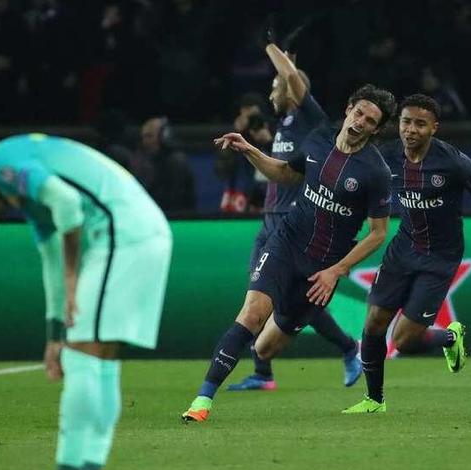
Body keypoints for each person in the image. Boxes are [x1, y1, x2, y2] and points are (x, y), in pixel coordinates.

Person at [182, 82, 396, 422]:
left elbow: (378, 233)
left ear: (377, 128)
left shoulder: (376, 172)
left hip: (322, 268)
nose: (360, 123)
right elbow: (283, 173)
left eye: (370, 121)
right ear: (348, 109)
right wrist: (250, 149)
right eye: (358, 113)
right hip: (286, 242)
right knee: (251, 315)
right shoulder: (317, 140)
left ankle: (342, 351)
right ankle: (202, 401)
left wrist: (337, 270)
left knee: (266, 348)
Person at [0, 134, 171, 470]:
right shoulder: (33, 200)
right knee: (100, 360)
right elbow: (51, 262)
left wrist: (73, 279)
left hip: (124, 233)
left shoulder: (0, 161)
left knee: (84, 355)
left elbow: (68, 204)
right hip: (141, 230)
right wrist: (55, 334)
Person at [342, 94, 471, 413]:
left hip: (440, 259)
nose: (411, 130)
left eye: (420, 124)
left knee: (404, 341)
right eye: (406, 122)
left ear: (434, 127)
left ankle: (449, 338)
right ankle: (374, 400)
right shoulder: (387, 158)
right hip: (402, 250)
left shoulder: (452, 162)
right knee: (374, 324)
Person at [226, 41, 362, 392]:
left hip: (294, 224)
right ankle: (262, 372)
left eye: (276, 86)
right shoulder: (284, 125)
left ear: (290, 90)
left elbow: (290, 78)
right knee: (261, 293)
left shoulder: (311, 121)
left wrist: (273, 49)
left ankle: (348, 348)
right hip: (269, 220)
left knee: (295, 299)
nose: (271, 92)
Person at [130, 117, 196, 212]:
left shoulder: (175, 162)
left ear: (164, 136)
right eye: (143, 137)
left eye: (149, 136)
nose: (145, 142)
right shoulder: (148, 161)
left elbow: (172, 201)